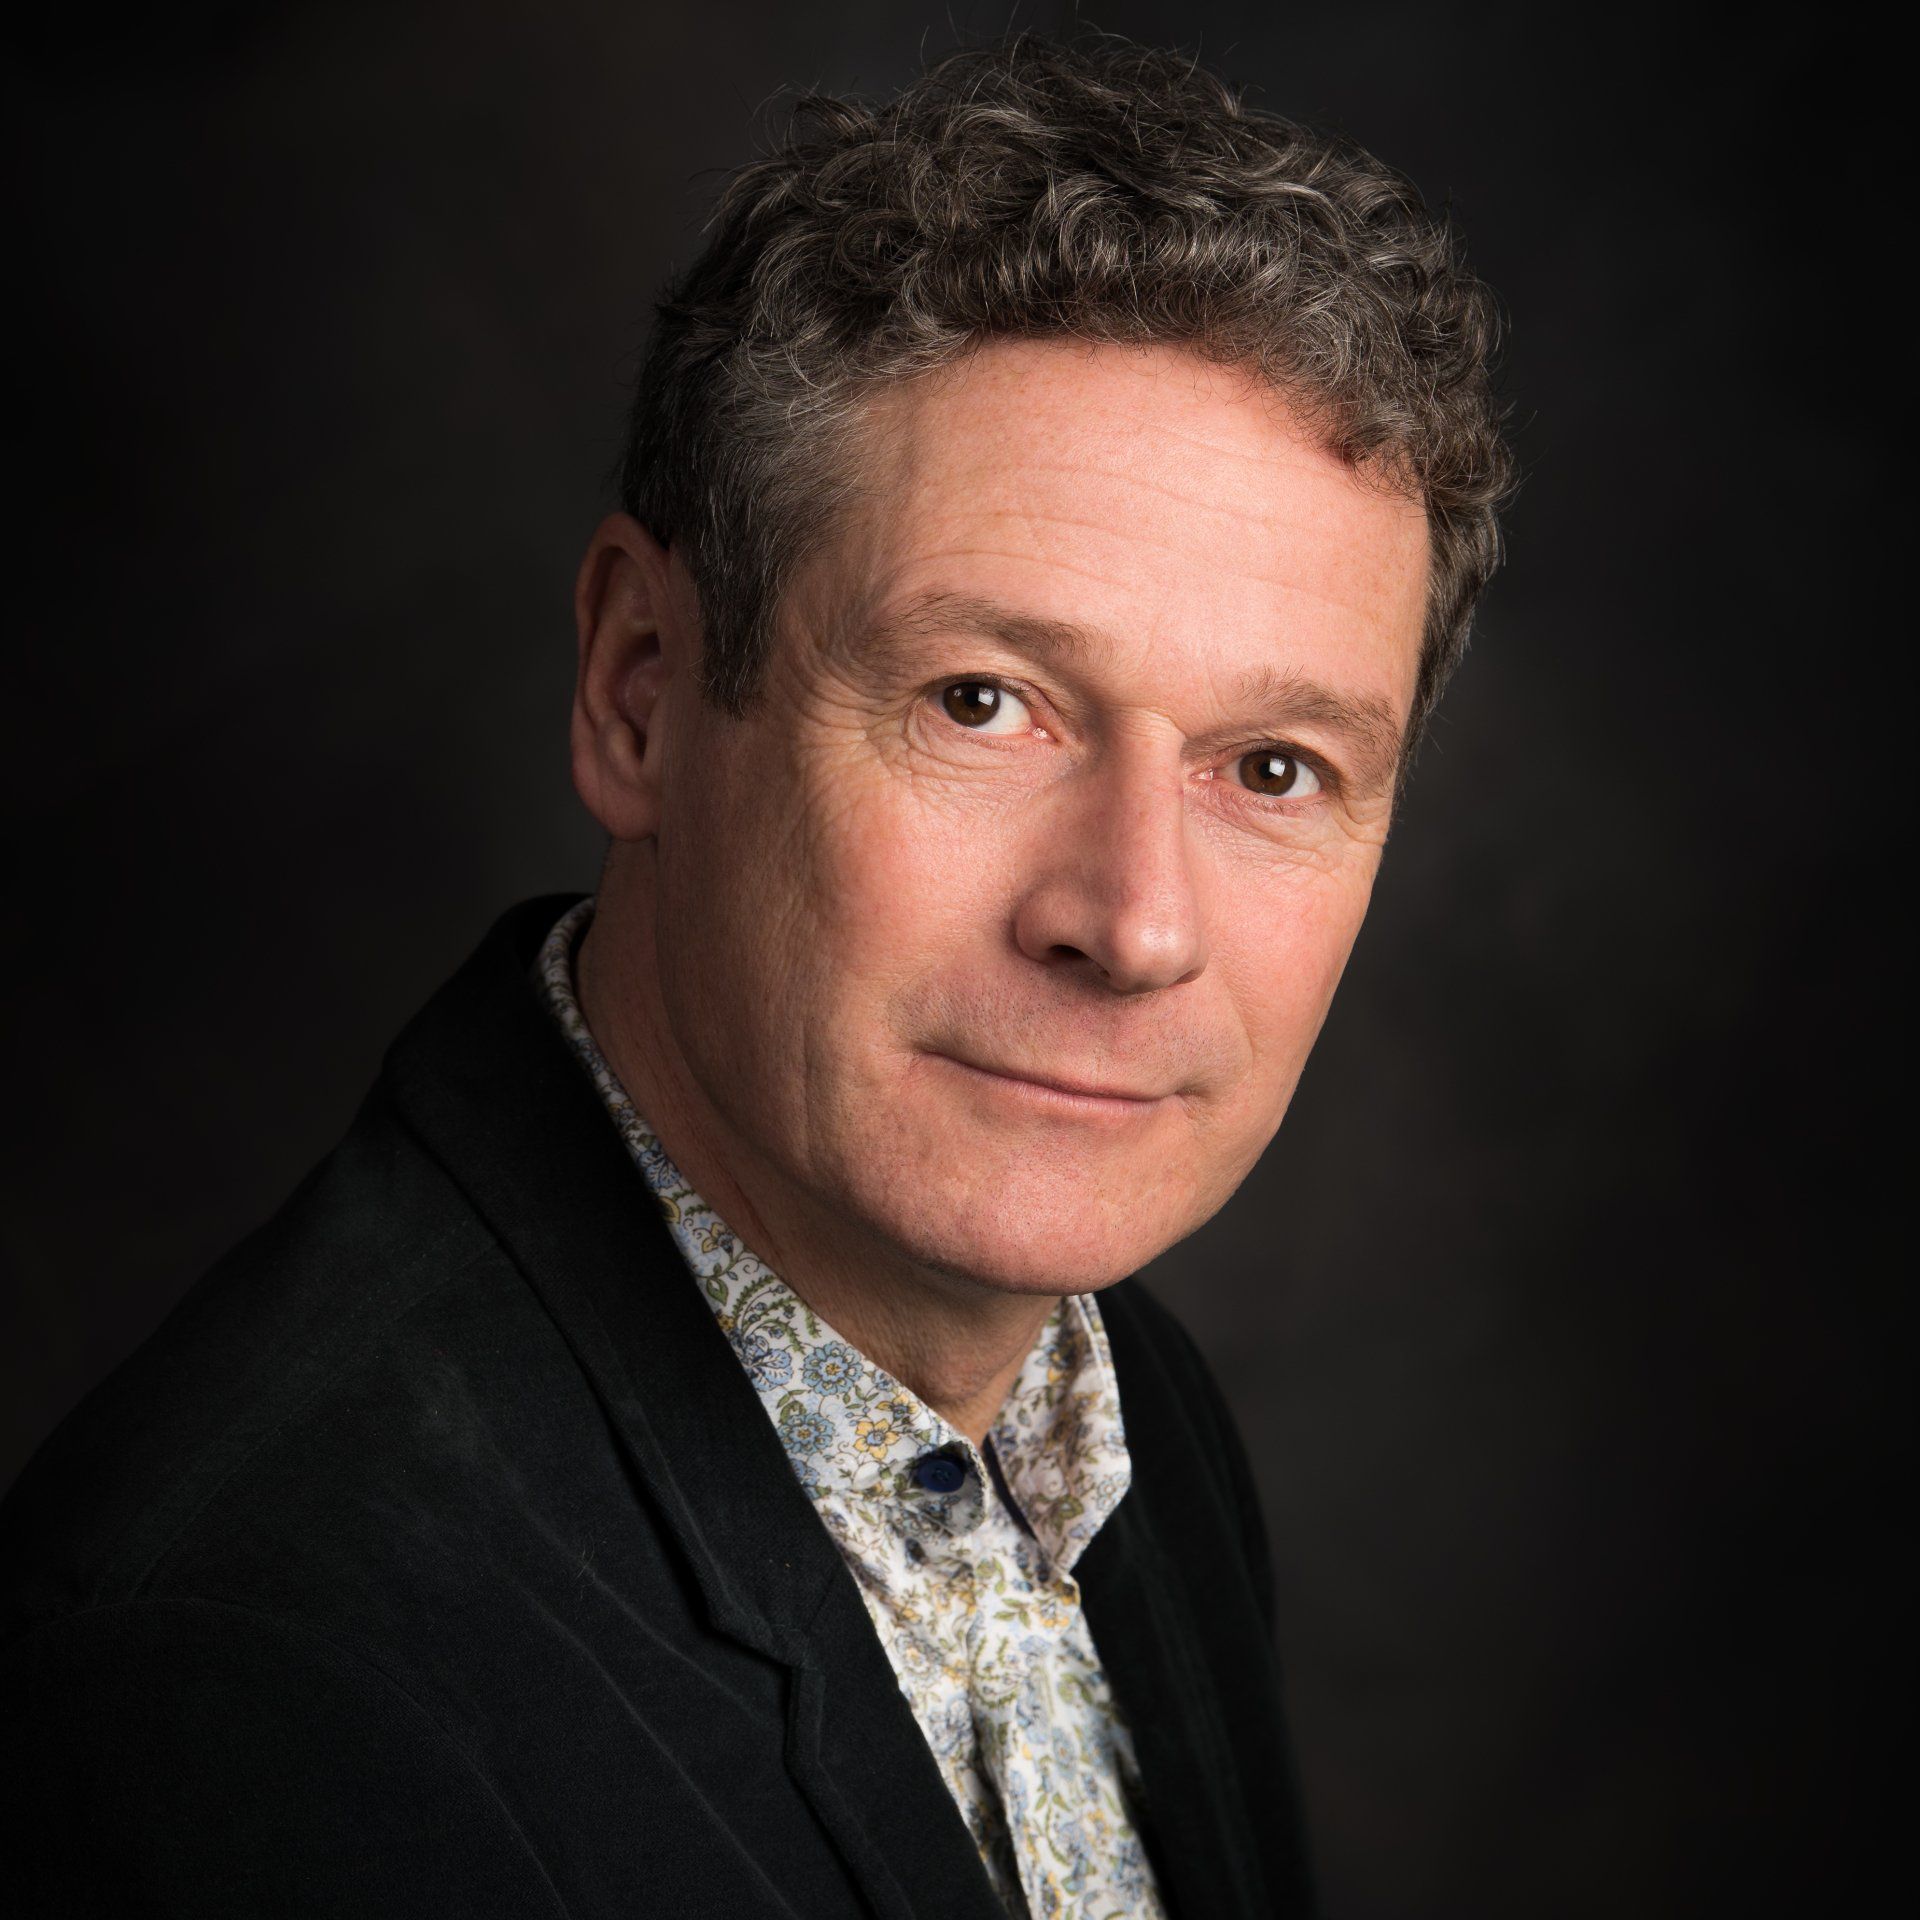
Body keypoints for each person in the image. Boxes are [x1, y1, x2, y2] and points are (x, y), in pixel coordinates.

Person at [0, 34, 1510, 1920]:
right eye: (982, 703)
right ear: (640, 690)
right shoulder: (233, 1693)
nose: (1133, 926)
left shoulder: (1123, 1421)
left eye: (1273, 769)